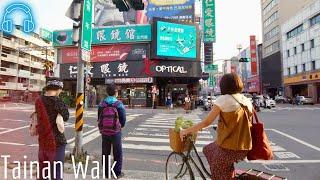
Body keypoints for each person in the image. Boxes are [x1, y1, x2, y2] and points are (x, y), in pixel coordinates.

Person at [180, 73, 253, 180]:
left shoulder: (223, 99)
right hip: (245, 147)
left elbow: (206, 122)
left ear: (224, 85)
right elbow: (240, 122)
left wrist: (186, 131)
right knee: (207, 149)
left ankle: (220, 173)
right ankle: (225, 172)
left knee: (217, 168)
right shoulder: (246, 100)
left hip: (230, 148)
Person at [34, 78, 69, 180]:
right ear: (58, 89)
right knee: (56, 172)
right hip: (56, 142)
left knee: (43, 171)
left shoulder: (38, 100)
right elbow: (66, 116)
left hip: (43, 141)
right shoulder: (58, 101)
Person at [98, 84, 126, 178]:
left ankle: (106, 173)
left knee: (105, 152)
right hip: (116, 132)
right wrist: (120, 125)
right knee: (117, 153)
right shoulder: (119, 104)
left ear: (107, 92)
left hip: (105, 132)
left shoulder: (102, 103)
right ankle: (117, 173)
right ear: (116, 93)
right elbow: (123, 118)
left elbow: (99, 117)